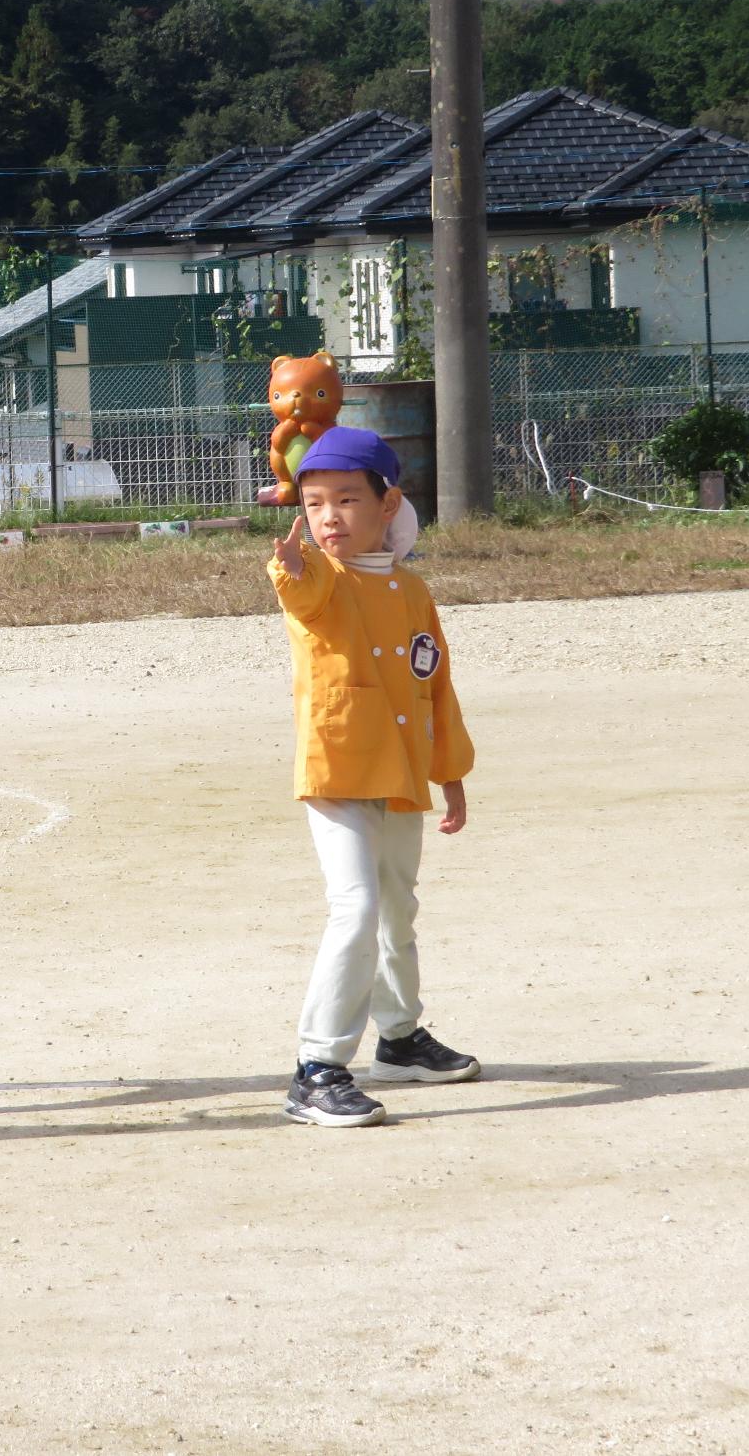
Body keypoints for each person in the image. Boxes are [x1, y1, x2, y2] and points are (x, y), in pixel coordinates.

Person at [266, 426, 479, 1128]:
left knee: (397, 907)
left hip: (403, 771)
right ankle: (317, 1068)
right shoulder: (322, 579)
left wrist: (450, 772)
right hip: (338, 773)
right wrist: (291, 567)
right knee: (355, 907)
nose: (329, 517)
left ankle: (399, 1037)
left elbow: (435, 684)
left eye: (347, 501)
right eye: (315, 501)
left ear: (389, 505)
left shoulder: (412, 589)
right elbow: (300, 589)